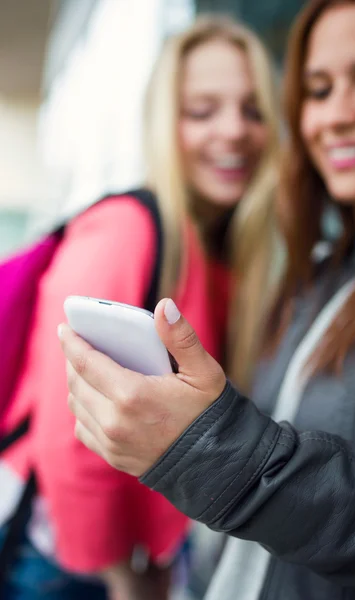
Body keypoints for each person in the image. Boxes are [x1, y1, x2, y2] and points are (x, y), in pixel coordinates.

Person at [61, 1, 355, 599]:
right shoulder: (308, 275)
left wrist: (221, 456)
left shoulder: (266, 262)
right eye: (317, 91)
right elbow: (71, 442)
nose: (337, 115)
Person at [0, 15, 280, 600]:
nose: (233, 130)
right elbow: (68, 429)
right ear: (163, 124)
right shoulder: (126, 228)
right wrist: (121, 576)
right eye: (202, 111)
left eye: (254, 110)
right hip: (62, 561)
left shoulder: (227, 249)